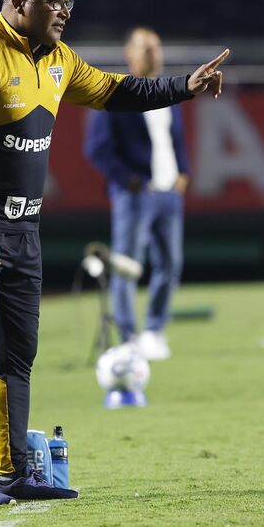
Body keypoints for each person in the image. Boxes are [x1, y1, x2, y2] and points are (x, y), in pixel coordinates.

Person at [0, 0, 228, 508]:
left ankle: (13, 471)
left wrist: (184, 86)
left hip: (24, 226)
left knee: (17, 357)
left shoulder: (60, 61)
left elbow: (118, 90)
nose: (64, 11)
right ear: (18, 4)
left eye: (67, 1)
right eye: (52, 1)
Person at [83, 27, 188, 360]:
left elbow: (176, 139)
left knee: (169, 264)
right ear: (130, 54)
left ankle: (154, 331)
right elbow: (96, 148)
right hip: (136, 194)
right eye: (146, 47)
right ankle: (128, 336)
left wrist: (183, 171)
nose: (154, 53)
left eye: (157, 47)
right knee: (127, 266)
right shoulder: (116, 93)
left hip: (168, 191)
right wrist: (126, 179)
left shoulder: (165, 92)